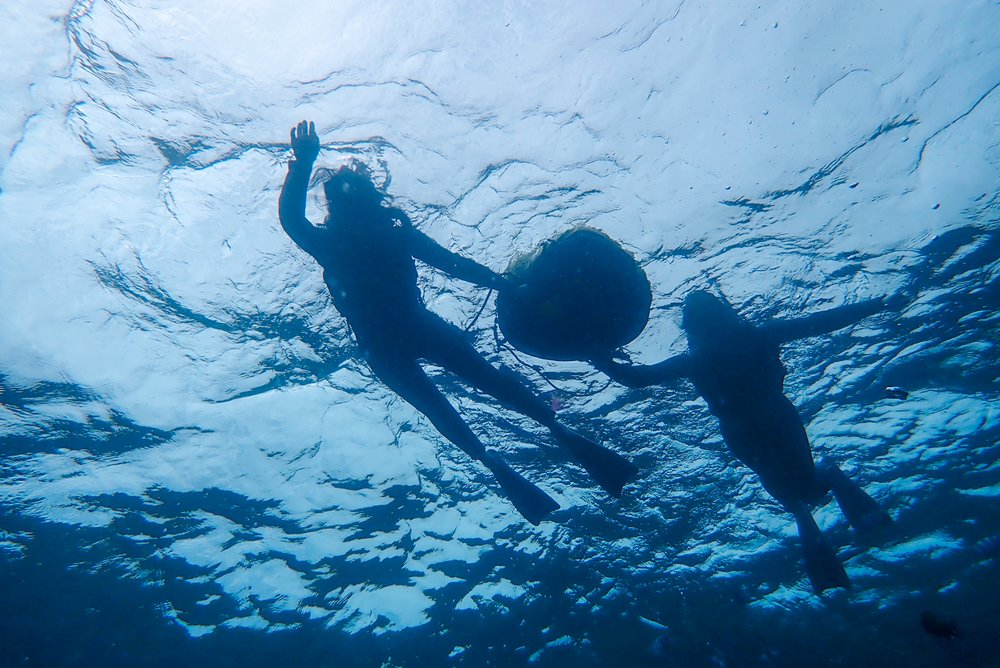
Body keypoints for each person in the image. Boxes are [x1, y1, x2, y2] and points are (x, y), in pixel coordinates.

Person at [277, 120, 637, 525]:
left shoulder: (346, 240)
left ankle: (499, 458)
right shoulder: (390, 234)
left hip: (384, 344)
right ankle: (547, 436)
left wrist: (302, 163)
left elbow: (293, 221)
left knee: (447, 407)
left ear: (336, 209)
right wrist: (501, 282)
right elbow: (451, 264)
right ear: (370, 200)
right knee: (484, 384)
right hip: (416, 330)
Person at [593, 289, 895, 591]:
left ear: (690, 327)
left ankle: (819, 495)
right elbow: (820, 322)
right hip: (773, 419)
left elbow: (638, 378)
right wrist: (874, 303)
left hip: (744, 430)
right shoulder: (754, 338)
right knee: (799, 486)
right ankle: (829, 482)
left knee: (789, 491)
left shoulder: (699, 358)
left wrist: (596, 355)